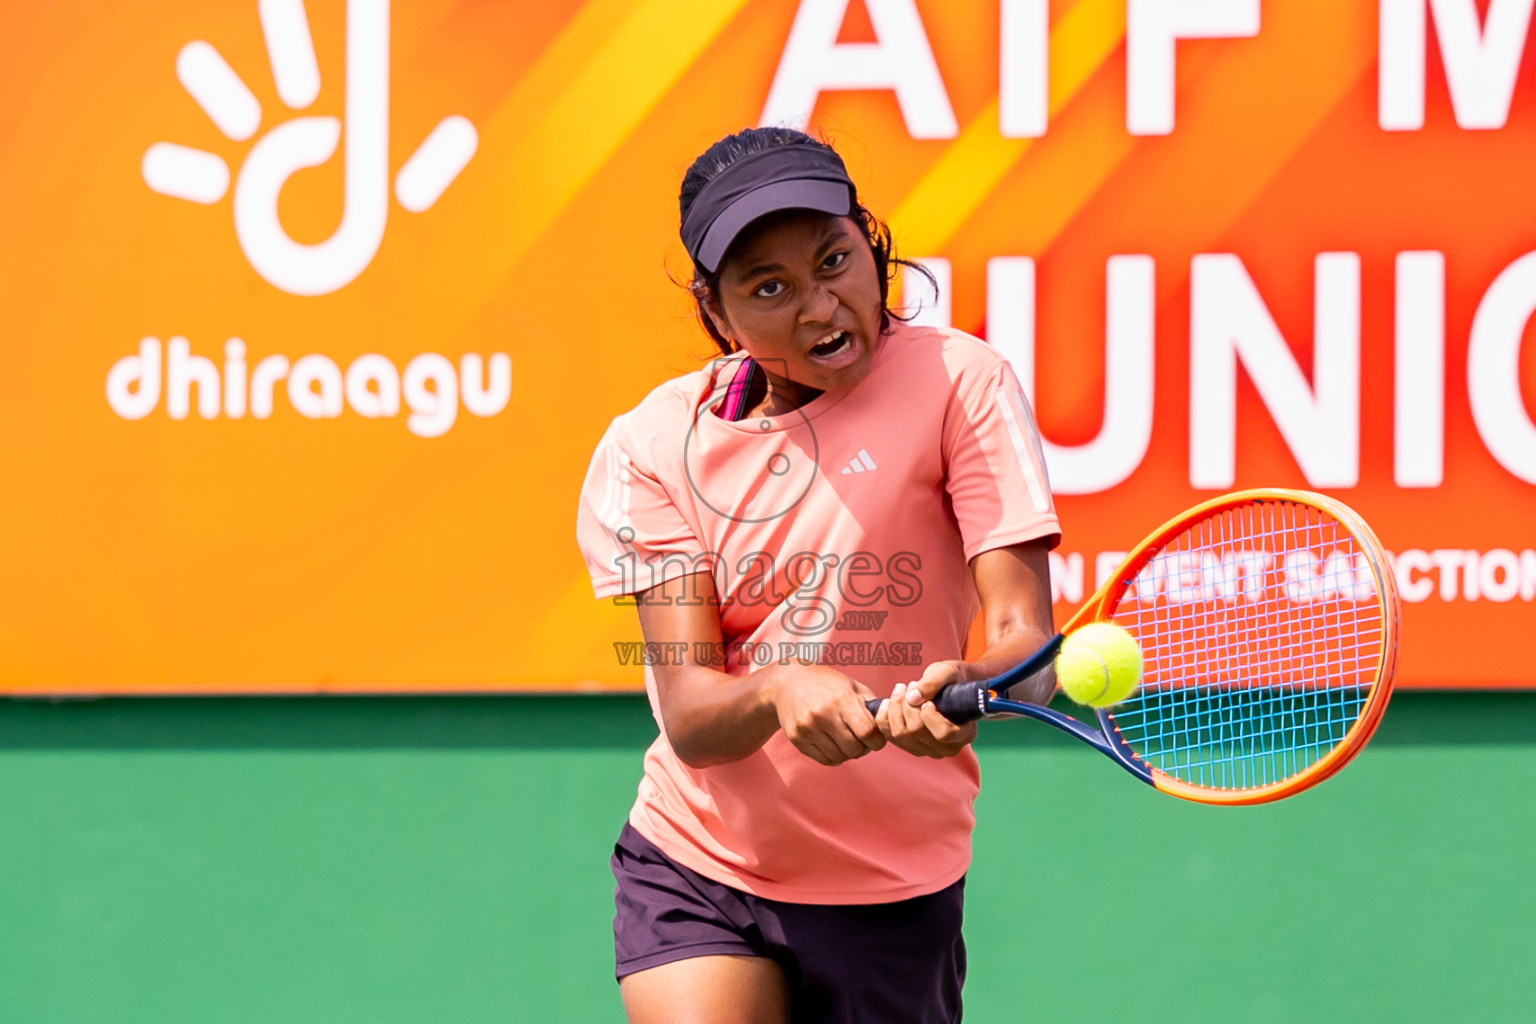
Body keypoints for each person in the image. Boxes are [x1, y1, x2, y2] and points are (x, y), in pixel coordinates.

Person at [575, 126, 1060, 1024]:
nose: (819, 305)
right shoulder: (650, 447)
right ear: (716, 314)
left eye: (837, 261)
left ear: (874, 250)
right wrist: (778, 689)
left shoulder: (962, 382)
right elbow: (690, 716)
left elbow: (1025, 642)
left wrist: (970, 687)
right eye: (770, 288)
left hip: (891, 885)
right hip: (698, 858)